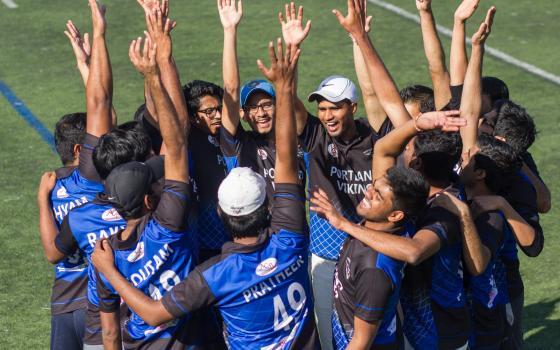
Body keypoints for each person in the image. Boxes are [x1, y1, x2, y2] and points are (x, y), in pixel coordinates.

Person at [93, 37, 321, 350]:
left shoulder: (215, 275)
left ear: (220, 213)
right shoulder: (291, 239)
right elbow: (286, 161)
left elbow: (153, 314)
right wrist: (284, 87)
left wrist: (107, 270)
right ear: (267, 209)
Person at [91, 26, 204, 348]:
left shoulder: (104, 254)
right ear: (148, 199)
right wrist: (154, 72)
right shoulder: (168, 223)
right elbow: (178, 142)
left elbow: (110, 332)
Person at [219, 0, 309, 199]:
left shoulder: (299, 141)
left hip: (291, 230)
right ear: (243, 114)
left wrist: (293, 47)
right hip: (251, 230)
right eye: (252, 107)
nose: (260, 113)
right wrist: (230, 30)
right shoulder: (238, 144)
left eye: (267, 104)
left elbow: (289, 94)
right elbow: (231, 89)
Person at [37, 112, 102, 350]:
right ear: (78, 150)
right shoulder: (96, 180)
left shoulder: (50, 187)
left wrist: (42, 199)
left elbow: (52, 253)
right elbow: (105, 107)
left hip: (63, 303)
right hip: (96, 302)